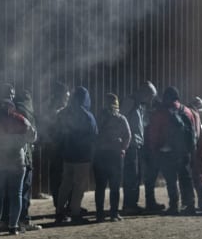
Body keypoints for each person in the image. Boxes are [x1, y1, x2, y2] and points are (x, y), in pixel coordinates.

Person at [0, 84, 36, 235]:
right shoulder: (19, 118)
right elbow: (33, 136)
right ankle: (13, 226)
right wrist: (20, 140)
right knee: (17, 194)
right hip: (16, 160)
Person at [145, 86, 198, 215]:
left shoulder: (160, 113)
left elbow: (154, 133)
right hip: (184, 151)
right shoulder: (187, 111)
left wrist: (153, 148)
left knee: (171, 180)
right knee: (186, 177)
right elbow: (194, 131)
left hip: (166, 151)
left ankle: (174, 205)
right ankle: (190, 204)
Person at [56, 86, 98, 224]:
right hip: (82, 156)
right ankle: (75, 212)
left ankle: (59, 211)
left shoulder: (65, 112)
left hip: (67, 155)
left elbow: (58, 131)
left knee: (65, 184)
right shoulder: (87, 115)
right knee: (79, 185)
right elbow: (94, 134)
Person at [93, 93, 130, 222]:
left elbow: (93, 134)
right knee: (114, 186)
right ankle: (114, 213)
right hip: (115, 155)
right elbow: (128, 135)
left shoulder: (98, 118)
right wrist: (123, 149)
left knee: (100, 186)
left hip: (101, 155)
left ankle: (99, 214)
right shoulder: (121, 118)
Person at [122, 81, 158, 214]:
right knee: (131, 175)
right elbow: (122, 119)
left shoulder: (139, 105)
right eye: (150, 96)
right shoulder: (130, 102)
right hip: (130, 145)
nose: (150, 100)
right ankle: (129, 205)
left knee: (136, 175)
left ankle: (133, 204)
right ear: (144, 93)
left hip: (136, 145)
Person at [14, 89, 42, 231]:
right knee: (23, 191)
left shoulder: (11, 111)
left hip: (8, 157)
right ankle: (23, 221)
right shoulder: (27, 114)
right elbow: (32, 136)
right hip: (24, 156)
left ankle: (12, 220)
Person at [44, 82, 71, 214]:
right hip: (57, 149)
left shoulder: (62, 110)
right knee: (58, 180)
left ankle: (67, 206)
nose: (67, 99)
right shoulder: (54, 111)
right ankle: (60, 207)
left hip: (64, 148)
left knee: (66, 178)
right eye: (66, 97)